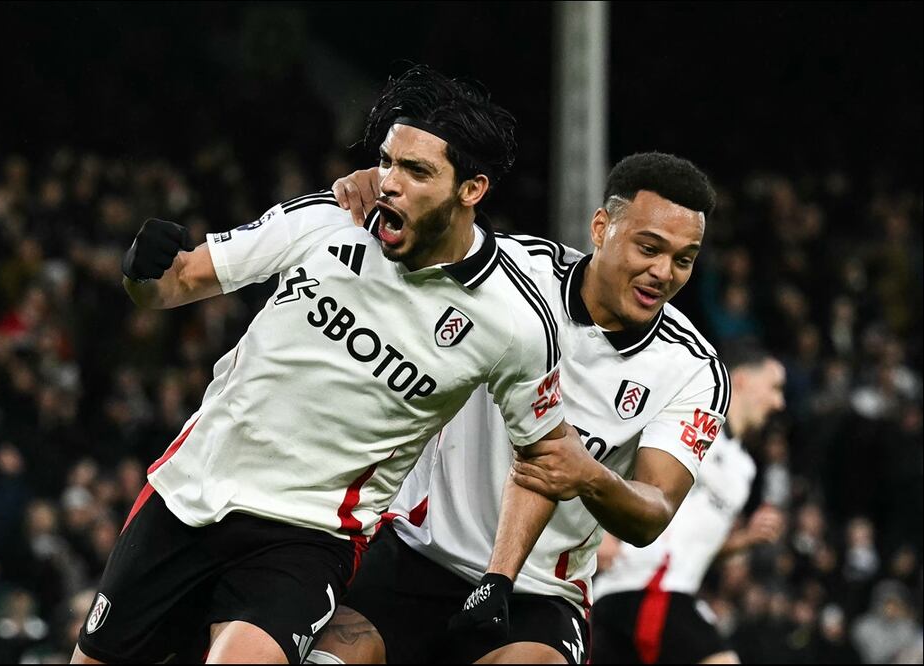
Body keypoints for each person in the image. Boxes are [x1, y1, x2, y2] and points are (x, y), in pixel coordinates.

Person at [71, 65, 570, 665]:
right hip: (188, 492)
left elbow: (544, 452)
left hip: (307, 533)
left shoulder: (512, 322)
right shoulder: (326, 221)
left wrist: (503, 574)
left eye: (417, 171)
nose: (389, 183)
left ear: (472, 190)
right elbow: (177, 282)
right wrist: (141, 272)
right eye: (387, 161)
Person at [311, 152, 726, 664]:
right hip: (417, 551)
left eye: (683, 259)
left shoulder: (693, 371)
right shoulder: (508, 269)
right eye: (649, 247)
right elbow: (415, 233)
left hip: (539, 596)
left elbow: (653, 513)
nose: (662, 272)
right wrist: (379, 193)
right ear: (601, 228)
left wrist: (589, 476)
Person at [592, 345, 787, 664]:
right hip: (640, 590)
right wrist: (600, 535)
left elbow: (695, 546)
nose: (779, 402)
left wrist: (745, 540)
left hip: (668, 594)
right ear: (740, 380)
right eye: (774, 388)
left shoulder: (744, 469)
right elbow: (615, 466)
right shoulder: (687, 427)